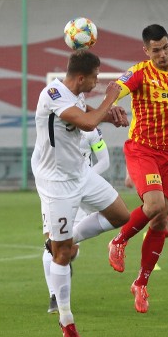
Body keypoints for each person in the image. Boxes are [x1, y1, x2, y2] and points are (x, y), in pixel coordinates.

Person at [31, 50, 130, 337]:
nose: (100, 81)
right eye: (97, 76)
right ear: (82, 77)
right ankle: (66, 320)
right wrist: (110, 99)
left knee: (120, 215)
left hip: (80, 174)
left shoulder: (72, 95)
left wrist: (108, 117)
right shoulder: (51, 94)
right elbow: (86, 122)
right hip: (57, 183)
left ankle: (65, 239)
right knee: (63, 256)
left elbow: (87, 113)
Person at [108, 24, 168, 313]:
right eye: (156, 50)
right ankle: (118, 240)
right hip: (142, 149)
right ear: (146, 50)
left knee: (163, 221)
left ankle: (141, 283)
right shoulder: (139, 72)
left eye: (165, 47)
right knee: (154, 205)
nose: (162, 54)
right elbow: (116, 89)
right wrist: (109, 106)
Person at [42, 127, 110, 314]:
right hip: (53, 190)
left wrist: (83, 178)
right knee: (51, 244)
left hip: (79, 194)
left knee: (69, 249)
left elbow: (104, 161)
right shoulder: (51, 125)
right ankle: (54, 297)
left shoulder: (91, 130)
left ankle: (65, 262)